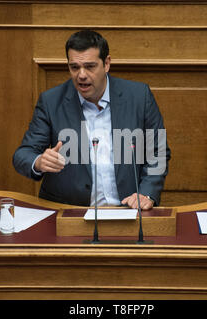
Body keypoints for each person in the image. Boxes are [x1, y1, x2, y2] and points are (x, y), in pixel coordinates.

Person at [13, 30, 170, 210]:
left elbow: (158, 151)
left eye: (90, 66)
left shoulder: (139, 97)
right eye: (74, 67)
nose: (81, 75)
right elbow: (23, 154)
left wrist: (147, 193)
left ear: (106, 64)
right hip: (70, 213)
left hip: (129, 211)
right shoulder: (51, 102)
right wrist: (39, 162)